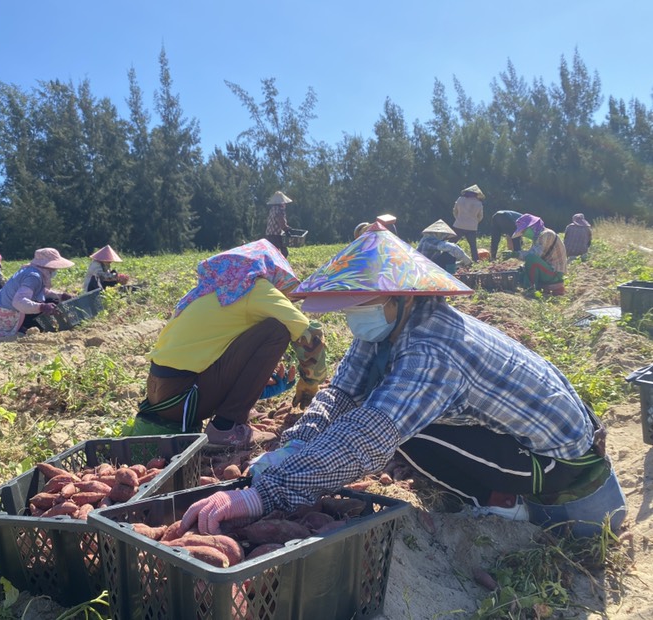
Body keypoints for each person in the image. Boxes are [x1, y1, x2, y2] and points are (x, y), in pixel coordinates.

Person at [181, 222, 625, 539]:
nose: (355, 318)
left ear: (400, 298)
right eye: (351, 308)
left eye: (362, 305)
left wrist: (265, 497)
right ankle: (498, 494)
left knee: (397, 430)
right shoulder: (389, 329)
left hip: (567, 476)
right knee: (383, 412)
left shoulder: (433, 348)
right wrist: (291, 449)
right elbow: (341, 395)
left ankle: (506, 505)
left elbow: (369, 436)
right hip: (528, 448)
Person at [129, 239, 327, 449]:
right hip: (184, 398)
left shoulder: (213, 291)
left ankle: (236, 414)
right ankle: (226, 427)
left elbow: (214, 352)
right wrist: (310, 381)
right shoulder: (254, 289)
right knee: (277, 329)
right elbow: (309, 333)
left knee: (261, 328)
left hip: (162, 395)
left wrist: (258, 388)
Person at [0, 248, 75, 338]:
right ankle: (22, 327)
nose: (55, 271)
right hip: (8, 316)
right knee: (51, 303)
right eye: (53, 268)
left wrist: (61, 295)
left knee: (53, 299)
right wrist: (42, 307)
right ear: (47, 267)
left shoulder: (30, 271)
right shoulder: (33, 277)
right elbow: (18, 302)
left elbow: (40, 291)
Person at [511, 214, 567, 290]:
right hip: (548, 269)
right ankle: (524, 285)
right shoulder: (538, 237)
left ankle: (530, 288)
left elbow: (534, 255)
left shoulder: (546, 234)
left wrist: (516, 254)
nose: (524, 235)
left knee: (531, 258)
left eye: (524, 231)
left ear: (532, 227)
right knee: (521, 270)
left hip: (555, 273)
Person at [452, 184, 485, 262]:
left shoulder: (460, 199)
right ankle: (475, 260)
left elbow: (455, 211)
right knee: (473, 245)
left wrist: (459, 219)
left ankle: (446, 257)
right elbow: (480, 216)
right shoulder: (478, 203)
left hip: (458, 225)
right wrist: (474, 222)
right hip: (472, 227)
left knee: (451, 243)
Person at [264, 191, 294, 258]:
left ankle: (273, 266)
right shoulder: (279, 210)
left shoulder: (272, 209)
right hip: (276, 235)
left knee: (272, 252)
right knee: (284, 252)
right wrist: (286, 229)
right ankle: (281, 266)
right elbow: (281, 222)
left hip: (269, 234)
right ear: (282, 203)